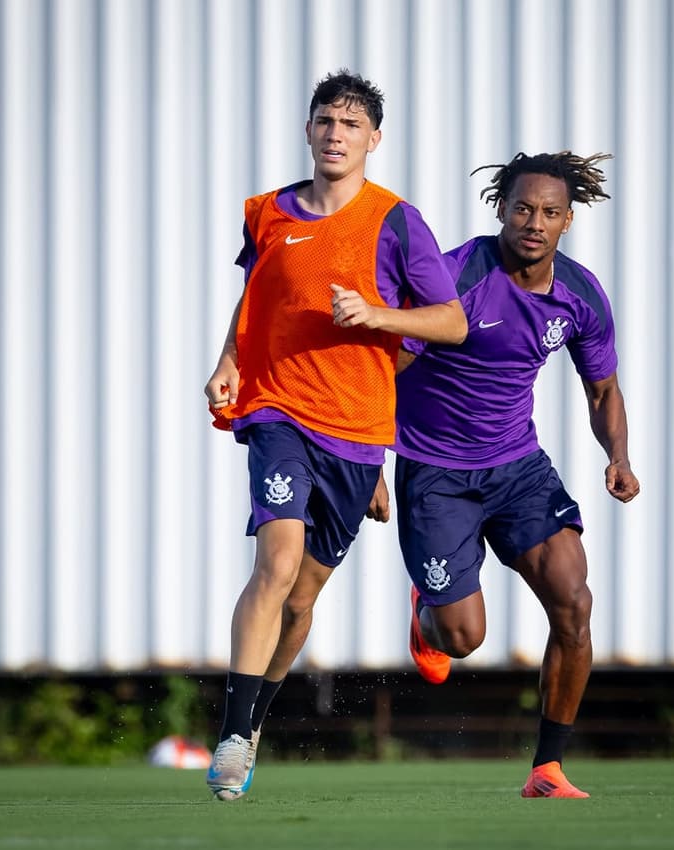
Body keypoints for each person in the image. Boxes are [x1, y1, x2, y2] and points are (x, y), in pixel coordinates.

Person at [203, 69, 467, 801]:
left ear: (373, 140)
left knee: (300, 600)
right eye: (326, 121)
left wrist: (379, 317)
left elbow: (451, 323)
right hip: (278, 410)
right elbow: (255, 301)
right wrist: (228, 361)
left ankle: (253, 720)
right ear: (309, 128)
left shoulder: (397, 221)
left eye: (351, 125)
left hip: (356, 431)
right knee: (276, 563)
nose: (336, 134)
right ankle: (229, 733)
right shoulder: (269, 213)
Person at [391, 151, 640, 798]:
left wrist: (617, 455)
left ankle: (547, 768)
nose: (535, 222)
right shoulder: (457, 275)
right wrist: (369, 462)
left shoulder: (579, 296)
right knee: (465, 640)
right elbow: (382, 367)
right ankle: (429, 615)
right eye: (523, 208)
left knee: (574, 602)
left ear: (568, 222)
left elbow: (602, 389)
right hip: (437, 473)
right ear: (501, 208)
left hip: (518, 468)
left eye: (550, 212)